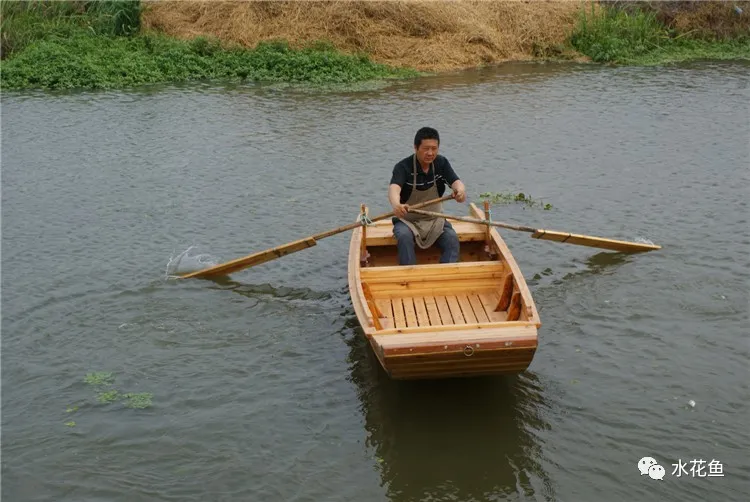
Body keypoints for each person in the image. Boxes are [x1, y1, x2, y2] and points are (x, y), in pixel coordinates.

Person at [388, 127, 467, 266]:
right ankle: (410, 279)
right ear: (416, 147)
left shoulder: (441, 163)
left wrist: (460, 191)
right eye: (426, 148)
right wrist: (396, 205)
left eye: (434, 148)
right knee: (404, 237)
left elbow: (456, 182)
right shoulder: (403, 167)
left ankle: (445, 276)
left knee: (452, 238)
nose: (430, 153)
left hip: (435, 219)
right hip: (408, 221)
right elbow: (394, 189)